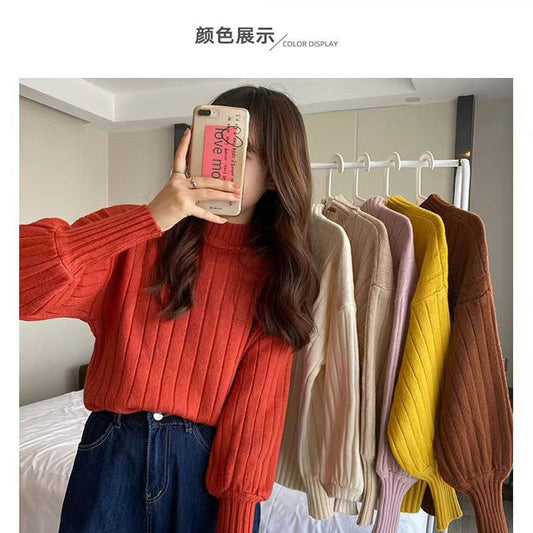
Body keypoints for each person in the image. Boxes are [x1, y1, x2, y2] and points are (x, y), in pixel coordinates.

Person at [19, 85, 321, 533]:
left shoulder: (276, 276)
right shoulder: (133, 235)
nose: (221, 162)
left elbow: (253, 419)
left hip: (202, 473)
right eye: (215, 143)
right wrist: (150, 218)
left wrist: (238, 521)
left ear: (276, 175)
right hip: (111, 456)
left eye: (247, 152)